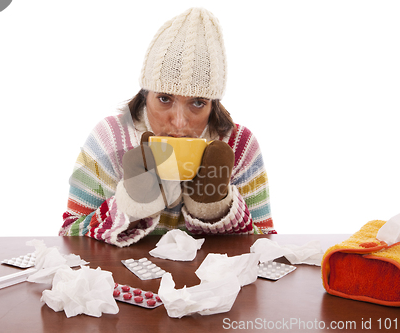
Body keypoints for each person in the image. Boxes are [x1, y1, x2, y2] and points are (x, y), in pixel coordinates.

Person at [59, 7, 275, 247]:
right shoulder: (109, 138)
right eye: (165, 99)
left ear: (213, 105)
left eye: (197, 102)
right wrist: (130, 205)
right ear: (145, 94)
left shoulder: (240, 145)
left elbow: (266, 244)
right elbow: (70, 236)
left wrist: (217, 207)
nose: (180, 122)